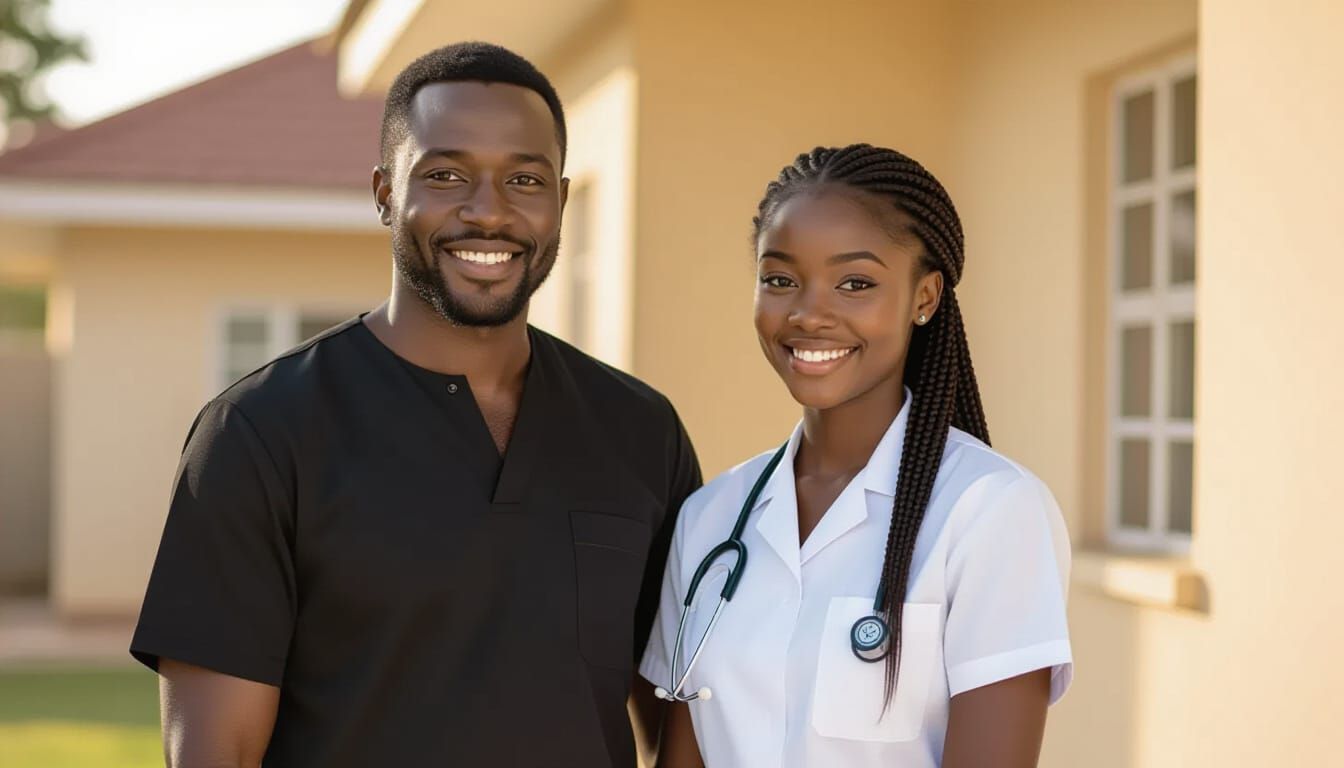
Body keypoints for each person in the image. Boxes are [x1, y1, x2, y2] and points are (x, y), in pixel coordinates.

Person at [130, 42, 700, 768]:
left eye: (523, 179)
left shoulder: (641, 430)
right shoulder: (261, 433)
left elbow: (685, 722)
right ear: (383, 193)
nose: (488, 212)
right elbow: (218, 752)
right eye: (446, 174)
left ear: (559, 198)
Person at [641, 144, 1072, 768]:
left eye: (855, 283)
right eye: (780, 279)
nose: (809, 313)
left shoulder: (990, 511)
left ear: (924, 297)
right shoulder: (710, 518)